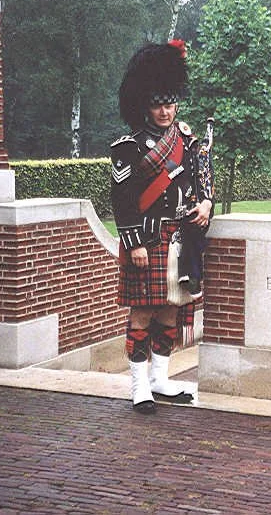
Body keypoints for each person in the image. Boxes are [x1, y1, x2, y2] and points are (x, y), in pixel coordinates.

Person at [110, 40, 214, 415]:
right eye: (158, 104)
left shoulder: (186, 141)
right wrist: (134, 243)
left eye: (170, 103)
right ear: (145, 106)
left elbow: (202, 180)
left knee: (171, 310)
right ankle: (139, 387)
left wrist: (206, 203)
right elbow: (122, 201)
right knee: (142, 313)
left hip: (181, 240)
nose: (166, 111)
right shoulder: (129, 147)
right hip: (150, 241)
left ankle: (160, 379)